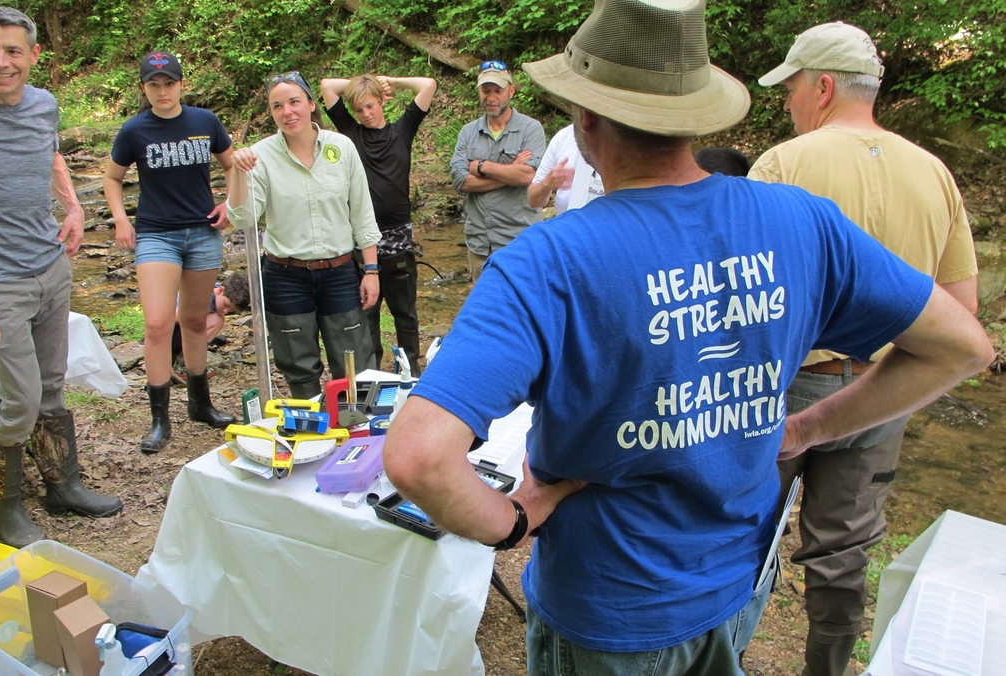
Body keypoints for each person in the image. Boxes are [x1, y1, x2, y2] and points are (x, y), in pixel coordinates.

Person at [381, 2, 993, 675]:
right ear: (694, 115)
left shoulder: (547, 261)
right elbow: (961, 344)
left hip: (609, 612)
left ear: (585, 119)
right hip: (735, 588)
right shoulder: (802, 222)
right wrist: (808, 428)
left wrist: (514, 521)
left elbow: (418, 458)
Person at [748, 22, 979, 676]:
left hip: (787, 388)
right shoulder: (934, 173)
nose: (786, 102)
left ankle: (722, 656)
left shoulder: (784, 165)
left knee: (740, 533)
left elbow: (747, 302)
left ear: (821, 86)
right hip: (884, 394)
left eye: (790, 87)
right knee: (842, 555)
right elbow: (960, 315)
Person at [0, 6, 123, 547]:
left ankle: (62, 485)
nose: (1, 62)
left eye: (12, 51)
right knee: (19, 397)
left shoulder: (44, 105)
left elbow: (49, 157)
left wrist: (71, 207)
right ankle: (4, 506)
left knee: (50, 385)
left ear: (34, 55)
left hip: (50, 264)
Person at [104, 51, 237, 453]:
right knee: (159, 323)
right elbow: (112, 178)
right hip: (156, 234)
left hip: (202, 232)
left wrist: (229, 204)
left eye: (169, 83)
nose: (163, 91)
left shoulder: (204, 121)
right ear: (144, 88)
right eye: (154, 84)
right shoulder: (134, 130)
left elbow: (231, 164)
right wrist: (121, 220)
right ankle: (159, 418)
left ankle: (200, 404)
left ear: (181, 84)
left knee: (196, 320)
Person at [227, 71, 380, 399]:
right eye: (277, 106)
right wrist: (238, 174)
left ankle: (360, 430)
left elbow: (362, 214)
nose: (287, 112)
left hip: (339, 271)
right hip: (285, 275)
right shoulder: (260, 156)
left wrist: (371, 270)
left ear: (311, 104)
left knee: (353, 360)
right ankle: (312, 433)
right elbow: (243, 218)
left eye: (294, 102)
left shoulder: (342, 148)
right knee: (298, 364)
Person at [321, 73, 437, 376]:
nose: (365, 114)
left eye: (370, 106)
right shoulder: (350, 132)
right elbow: (326, 86)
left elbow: (428, 85)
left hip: (399, 240)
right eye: (359, 110)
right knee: (367, 316)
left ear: (383, 102)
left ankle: (411, 373)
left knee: (405, 315)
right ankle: (370, 375)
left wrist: (389, 82)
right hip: (362, 244)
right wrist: (360, 86)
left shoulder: (403, 130)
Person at [450, 62, 546, 280]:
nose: (491, 97)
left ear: (511, 91)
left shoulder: (530, 129)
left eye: (497, 91)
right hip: (479, 244)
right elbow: (461, 181)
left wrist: (482, 167)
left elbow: (528, 176)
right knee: (483, 311)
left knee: (522, 310)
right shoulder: (468, 132)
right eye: (486, 90)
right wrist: (510, 172)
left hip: (519, 242)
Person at [171, 272, 251, 363]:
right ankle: (188, 358)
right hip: (166, 330)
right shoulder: (202, 297)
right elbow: (172, 315)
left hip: (177, 332)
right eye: (225, 305)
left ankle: (188, 355)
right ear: (220, 290)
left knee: (219, 319)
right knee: (217, 320)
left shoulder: (212, 290)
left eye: (231, 310)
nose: (225, 311)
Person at [527, 123, 604, 215]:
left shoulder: (616, 139)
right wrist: (546, 184)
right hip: (565, 226)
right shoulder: (563, 137)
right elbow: (533, 200)